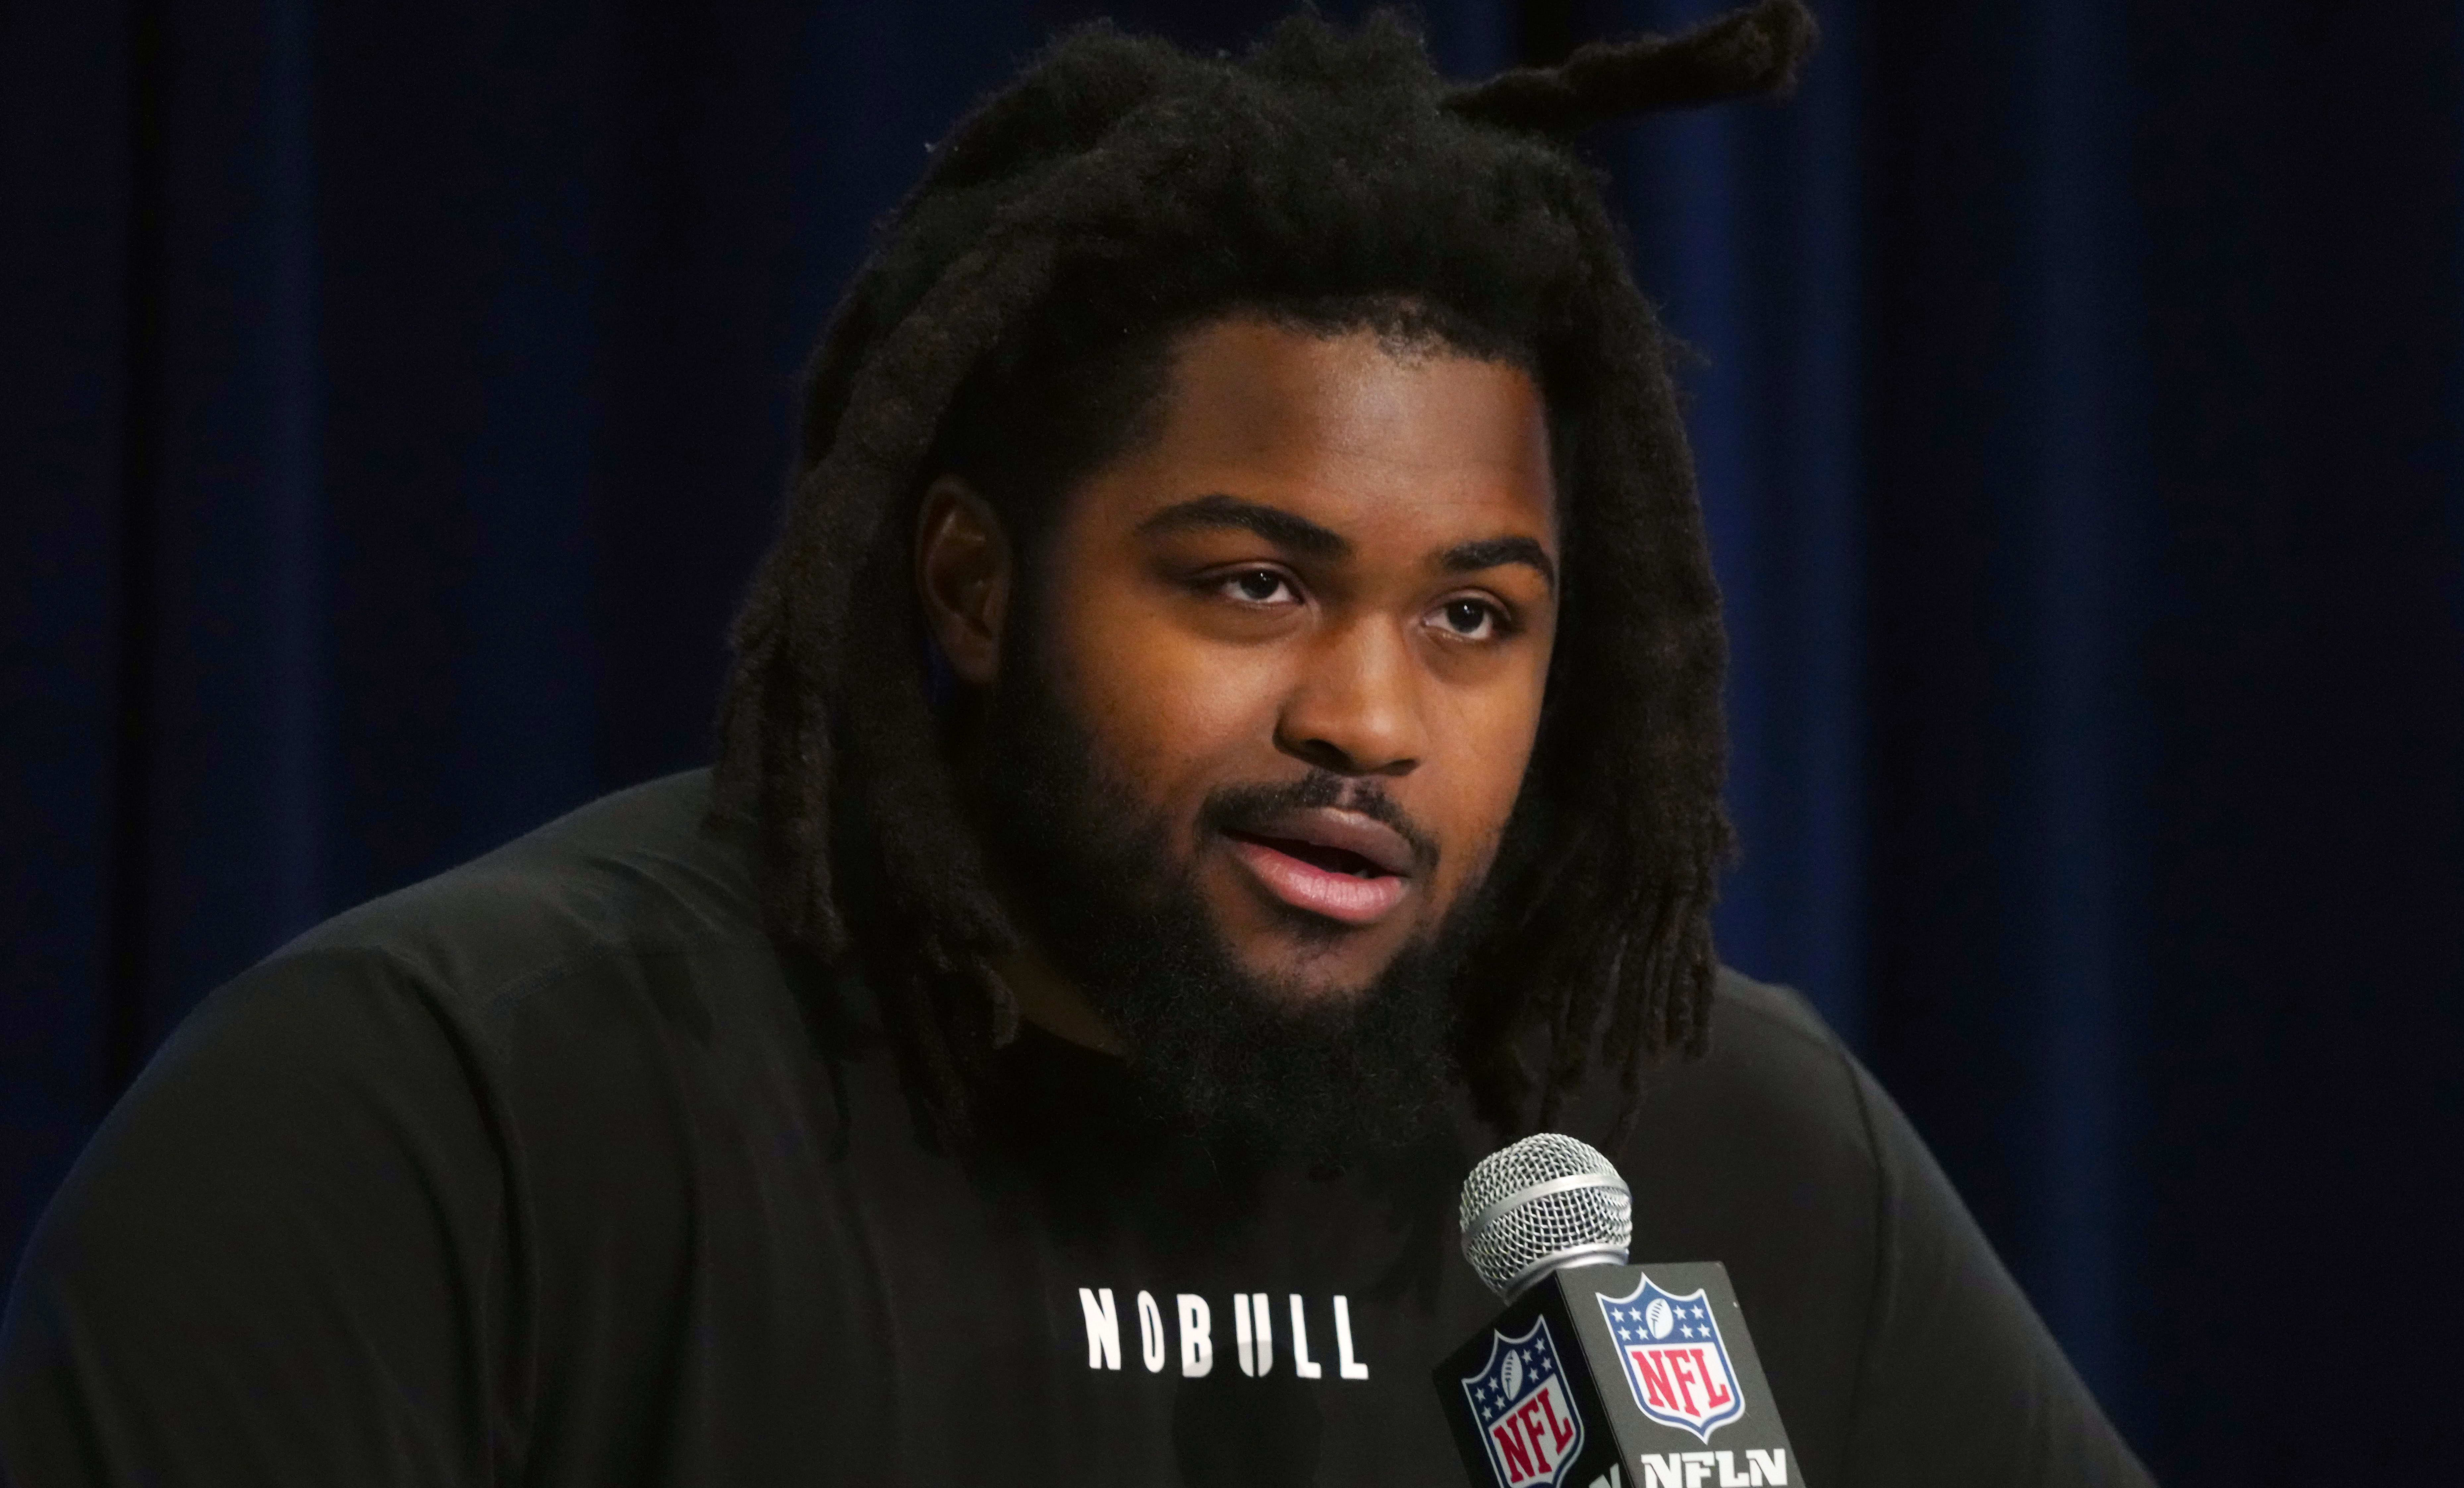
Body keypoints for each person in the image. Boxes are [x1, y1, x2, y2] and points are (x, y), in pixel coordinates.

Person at [0, 6, 2151, 1484]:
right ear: (968, 581)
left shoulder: (1704, 1152)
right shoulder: (448, 1116)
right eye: (1252, 583)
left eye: (1474, 618)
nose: (1370, 717)